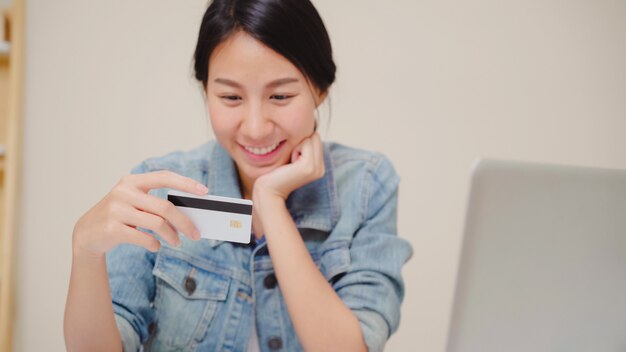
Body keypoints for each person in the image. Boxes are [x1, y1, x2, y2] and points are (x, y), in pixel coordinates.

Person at [63, 0, 412, 351]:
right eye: (231, 97)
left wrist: (271, 203)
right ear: (205, 91)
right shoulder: (158, 187)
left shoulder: (367, 185)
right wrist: (85, 251)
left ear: (319, 90)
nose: (256, 128)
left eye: (280, 95)